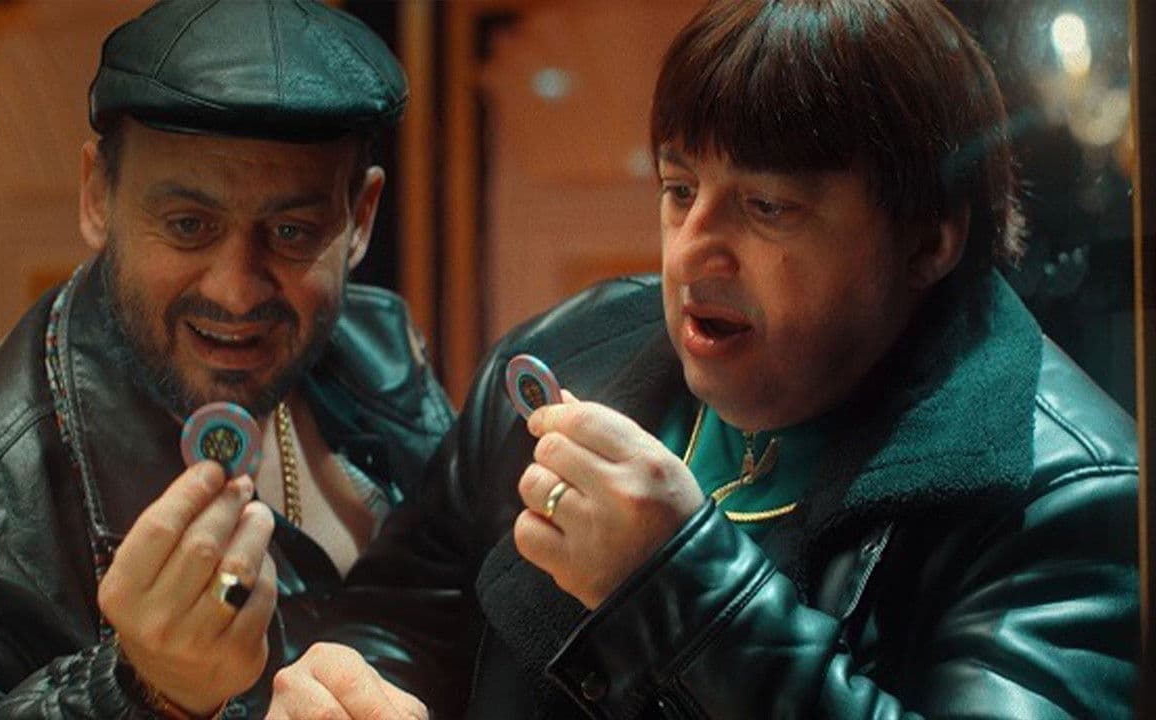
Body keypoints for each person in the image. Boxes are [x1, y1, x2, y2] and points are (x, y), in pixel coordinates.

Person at [293, 0, 1140, 717]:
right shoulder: (563, 352)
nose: (691, 250)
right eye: (679, 190)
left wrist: (679, 582)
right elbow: (399, 618)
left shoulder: (1069, 493)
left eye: (767, 207)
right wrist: (351, 686)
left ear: (928, 241)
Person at [0, 1, 453, 717]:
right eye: (189, 224)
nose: (236, 291)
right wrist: (141, 692)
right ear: (97, 197)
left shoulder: (377, 346)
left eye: (291, 231)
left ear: (360, 220)